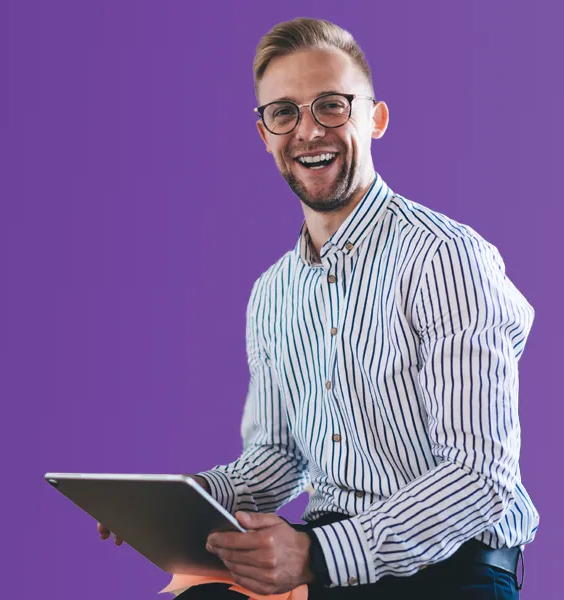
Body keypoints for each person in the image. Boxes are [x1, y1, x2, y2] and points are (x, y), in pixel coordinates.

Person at [97, 17, 535, 599]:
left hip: (452, 570)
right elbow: (279, 458)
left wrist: (316, 554)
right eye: (284, 113)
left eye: (330, 106)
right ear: (264, 134)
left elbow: (481, 480)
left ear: (374, 120)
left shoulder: (446, 258)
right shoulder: (272, 294)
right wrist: (183, 499)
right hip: (328, 565)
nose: (308, 131)